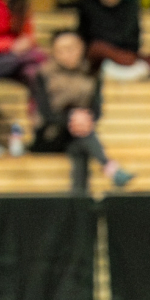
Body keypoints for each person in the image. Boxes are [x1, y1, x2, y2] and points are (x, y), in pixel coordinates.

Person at [30, 30, 134, 193]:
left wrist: (83, 120)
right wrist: (73, 118)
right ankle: (108, 166)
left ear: (81, 48)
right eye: (61, 50)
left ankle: (78, 197)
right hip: (50, 134)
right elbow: (46, 113)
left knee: (79, 147)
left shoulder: (91, 72)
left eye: (71, 48)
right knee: (82, 135)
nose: (67, 54)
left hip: (80, 133)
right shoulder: (44, 74)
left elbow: (96, 111)